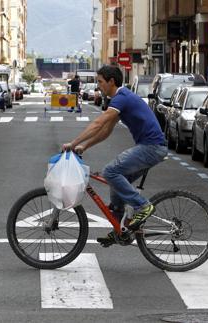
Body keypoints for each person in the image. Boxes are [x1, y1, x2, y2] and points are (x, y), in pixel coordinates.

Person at [62, 65, 168, 247]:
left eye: (100, 81)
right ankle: (120, 228)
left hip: (152, 147)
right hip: (150, 147)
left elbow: (98, 123)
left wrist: (73, 143)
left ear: (111, 81)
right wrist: (84, 146)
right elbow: (105, 131)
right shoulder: (120, 99)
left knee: (110, 171)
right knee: (117, 178)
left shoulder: (121, 98)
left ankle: (143, 206)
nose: (98, 86)